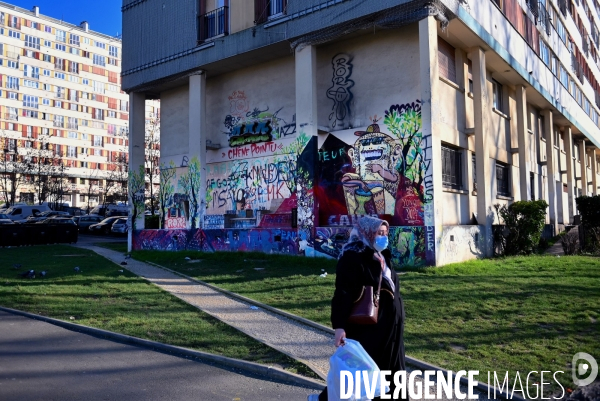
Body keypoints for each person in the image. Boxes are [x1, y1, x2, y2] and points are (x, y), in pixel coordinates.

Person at [308, 216, 406, 401]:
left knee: (393, 370)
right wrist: (339, 326)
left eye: (385, 233)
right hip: (368, 328)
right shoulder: (353, 257)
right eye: (379, 233)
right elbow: (343, 293)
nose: (383, 237)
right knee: (362, 370)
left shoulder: (383, 256)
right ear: (367, 233)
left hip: (391, 327)